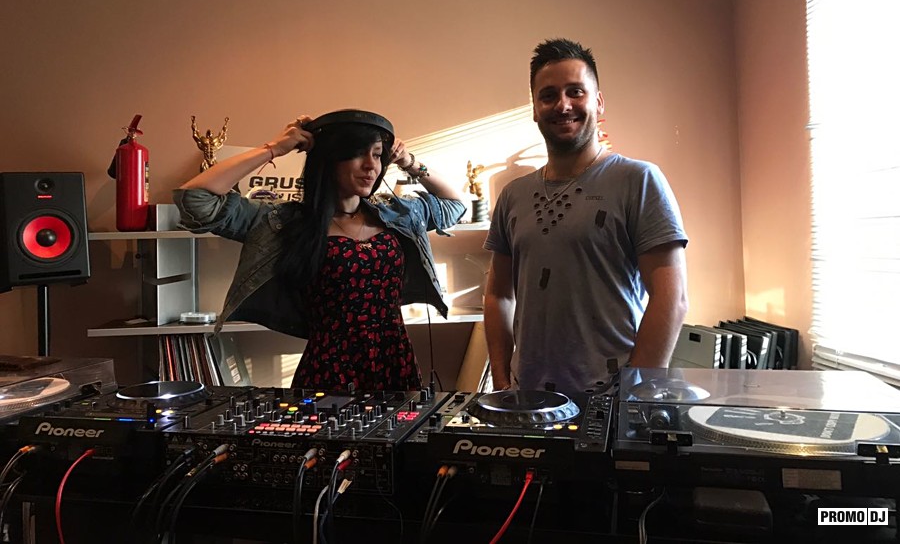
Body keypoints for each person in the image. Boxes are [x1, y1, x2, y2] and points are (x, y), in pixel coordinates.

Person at [174, 110, 466, 390]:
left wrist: (410, 162)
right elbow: (195, 200)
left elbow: (455, 205)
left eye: (378, 155)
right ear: (329, 159)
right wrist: (274, 149)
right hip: (328, 367)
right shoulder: (284, 222)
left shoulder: (399, 214)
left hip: (395, 361)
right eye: (358, 153)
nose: (371, 166)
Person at [483, 39, 689, 393]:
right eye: (548, 95)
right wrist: (502, 384)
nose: (563, 105)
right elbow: (499, 295)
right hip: (527, 401)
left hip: (610, 400)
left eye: (575, 91)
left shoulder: (638, 180)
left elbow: (672, 298)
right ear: (534, 109)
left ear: (599, 101)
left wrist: (632, 394)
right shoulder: (512, 196)